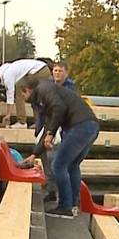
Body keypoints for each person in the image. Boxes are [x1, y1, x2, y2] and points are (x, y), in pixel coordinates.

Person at [19, 77, 99, 217]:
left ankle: (65, 206)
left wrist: (51, 133)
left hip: (79, 126)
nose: (24, 98)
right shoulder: (47, 98)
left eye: (23, 94)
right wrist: (34, 155)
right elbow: (49, 126)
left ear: (28, 90)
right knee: (72, 165)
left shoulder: (44, 88)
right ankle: (73, 204)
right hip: (90, 126)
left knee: (58, 165)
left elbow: (59, 109)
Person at [0, 58, 51, 128]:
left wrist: (8, 114)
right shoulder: (10, 70)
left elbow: (10, 95)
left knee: (19, 88)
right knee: (34, 96)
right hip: (43, 69)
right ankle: (39, 122)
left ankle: (22, 122)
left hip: (40, 71)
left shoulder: (7, 74)